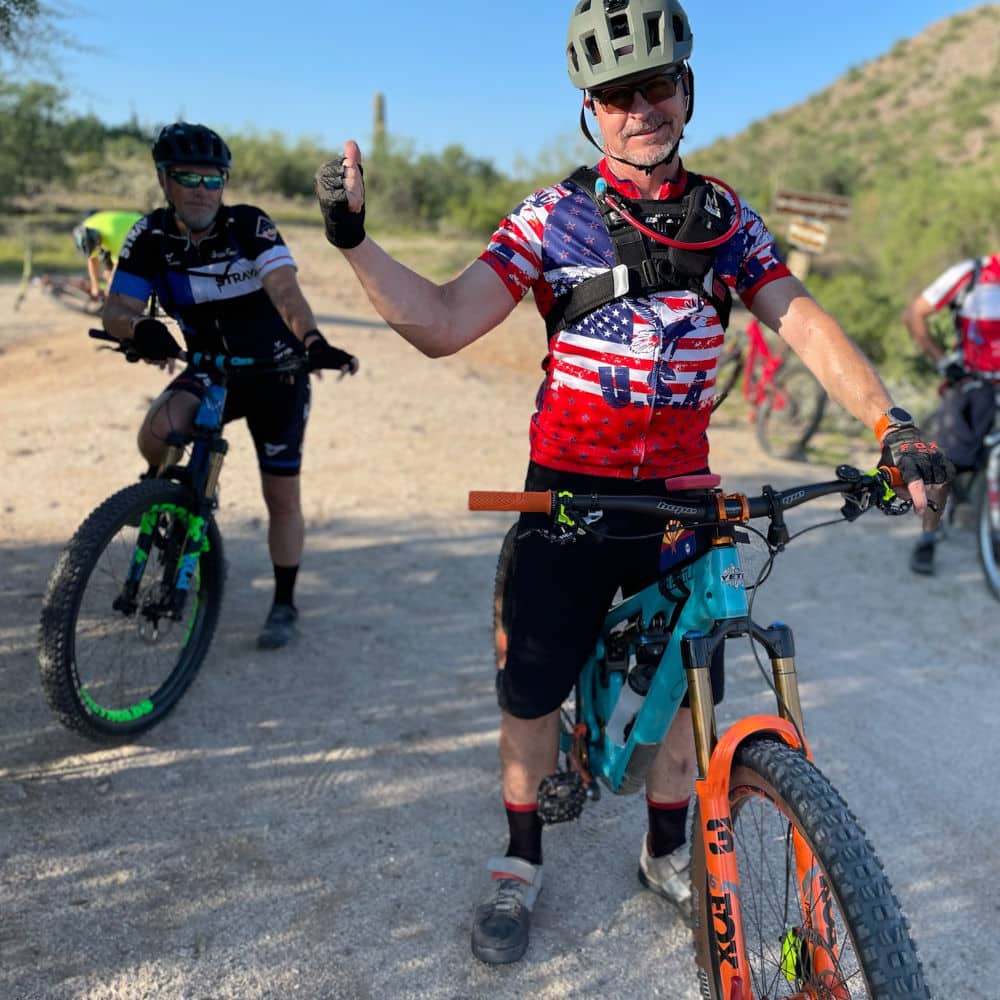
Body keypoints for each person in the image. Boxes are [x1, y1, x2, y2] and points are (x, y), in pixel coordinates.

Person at [314, 0, 950, 966]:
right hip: (570, 493)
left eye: (656, 84)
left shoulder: (726, 218)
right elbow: (443, 322)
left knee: (689, 677)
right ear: (590, 111)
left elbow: (805, 322)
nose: (638, 107)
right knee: (532, 687)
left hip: (683, 498)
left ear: (687, 91)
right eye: (615, 93)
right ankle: (519, 856)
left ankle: (663, 850)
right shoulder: (549, 216)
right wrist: (355, 243)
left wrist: (891, 426)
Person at [103, 122, 359, 650]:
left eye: (213, 178)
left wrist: (312, 341)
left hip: (276, 372)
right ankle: (174, 502)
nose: (201, 189)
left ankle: (283, 603)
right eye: (187, 177)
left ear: (224, 182)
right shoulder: (149, 235)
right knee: (159, 432)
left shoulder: (250, 225)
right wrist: (138, 329)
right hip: (210, 366)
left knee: (281, 497)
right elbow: (117, 309)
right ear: (163, 180)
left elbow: (284, 289)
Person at [902, 251, 1000, 574]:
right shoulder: (971, 274)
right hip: (972, 383)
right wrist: (944, 362)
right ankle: (927, 540)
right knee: (947, 462)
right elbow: (915, 314)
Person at [72, 209, 144, 300]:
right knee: (108, 275)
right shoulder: (86, 228)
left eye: (96, 247)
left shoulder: (116, 240)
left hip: (137, 230)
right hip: (110, 234)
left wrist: (110, 287)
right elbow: (92, 259)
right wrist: (95, 286)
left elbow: (118, 267)